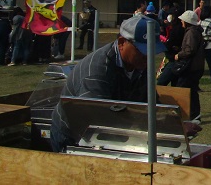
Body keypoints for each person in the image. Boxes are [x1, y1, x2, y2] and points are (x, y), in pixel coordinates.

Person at [50, 15, 167, 152]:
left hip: (107, 133)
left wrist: (171, 124)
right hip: (73, 136)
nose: (148, 56)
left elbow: (151, 101)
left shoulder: (140, 65)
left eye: (152, 51)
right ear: (122, 42)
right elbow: (97, 117)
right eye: (142, 50)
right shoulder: (96, 71)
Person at [173, 10, 205, 122]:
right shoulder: (195, 31)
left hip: (191, 67)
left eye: (182, 20)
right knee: (191, 91)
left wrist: (179, 54)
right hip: (196, 66)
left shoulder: (191, 32)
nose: (181, 21)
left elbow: (189, 50)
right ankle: (194, 115)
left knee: (184, 90)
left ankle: (190, 114)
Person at [157, 13, 184, 86]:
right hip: (174, 58)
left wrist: (165, 44)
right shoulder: (176, 28)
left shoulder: (176, 29)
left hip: (173, 59)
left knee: (161, 82)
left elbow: (170, 43)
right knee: (175, 83)